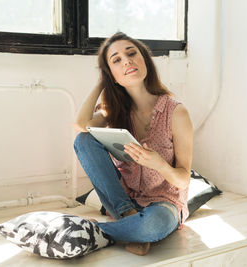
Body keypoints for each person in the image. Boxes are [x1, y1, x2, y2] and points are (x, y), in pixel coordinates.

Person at [73, 32, 193, 256]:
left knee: (152, 226)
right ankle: (129, 222)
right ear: (112, 75)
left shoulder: (176, 112)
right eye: (116, 60)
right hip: (122, 201)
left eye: (131, 53)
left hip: (163, 205)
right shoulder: (115, 111)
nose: (126, 61)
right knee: (84, 139)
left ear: (144, 60)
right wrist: (102, 81)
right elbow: (81, 125)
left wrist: (160, 164)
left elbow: (184, 178)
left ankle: (90, 230)